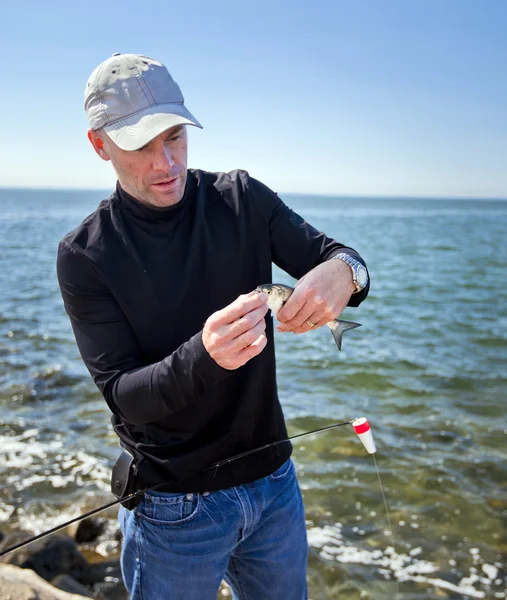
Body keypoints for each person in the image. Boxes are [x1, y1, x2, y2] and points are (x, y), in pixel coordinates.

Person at [56, 53, 370, 600]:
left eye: (174, 137)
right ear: (100, 145)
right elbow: (124, 395)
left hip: (274, 485)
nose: (166, 162)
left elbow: (341, 257)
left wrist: (344, 274)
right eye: (140, 145)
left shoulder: (241, 198)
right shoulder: (86, 255)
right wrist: (204, 356)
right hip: (174, 507)